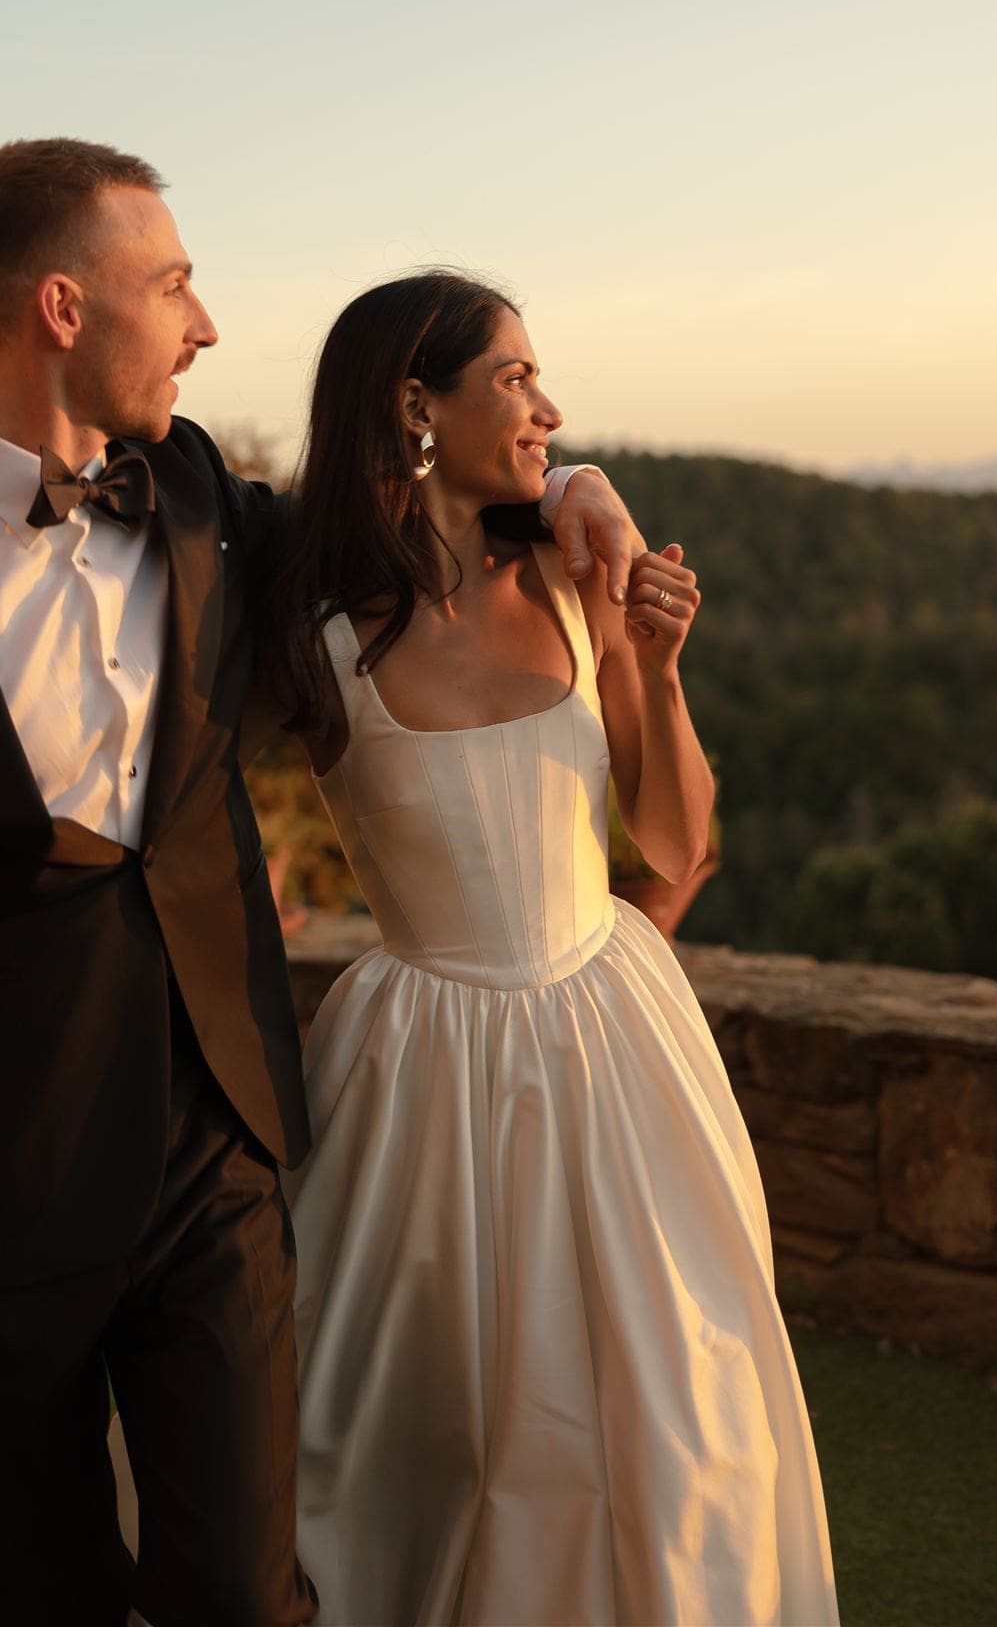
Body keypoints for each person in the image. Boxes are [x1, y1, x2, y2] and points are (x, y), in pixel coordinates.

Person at [0, 143, 639, 1627]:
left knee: (247, 1601)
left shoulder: (204, 508)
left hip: (217, 1163)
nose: (203, 324)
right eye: (172, 282)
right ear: (63, 305)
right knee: (42, 1599)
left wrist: (572, 480)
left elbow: (407, 497)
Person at [265, 274, 839, 1625]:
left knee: (678, 1416)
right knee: (418, 1439)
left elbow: (671, 843)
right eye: (514, 378)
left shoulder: (581, 585)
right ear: (416, 405)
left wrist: (657, 660)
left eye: (539, 381)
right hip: (417, 1070)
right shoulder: (313, 634)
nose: (548, 407)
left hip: (613, 1042)